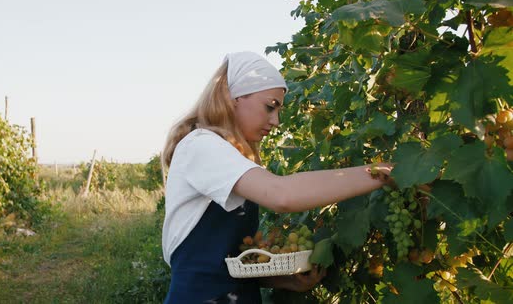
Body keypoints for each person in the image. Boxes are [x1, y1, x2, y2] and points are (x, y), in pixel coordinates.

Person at [161, 51, 392, 303]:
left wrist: (283, 280)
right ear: (234, 98)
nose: (276, 121)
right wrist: (378, 173)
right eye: (270, 107)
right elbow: (282, 194)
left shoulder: (233, 161)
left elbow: (230, 263)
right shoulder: (201, 146)